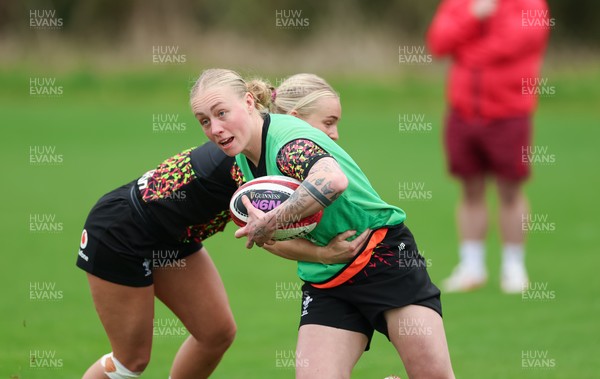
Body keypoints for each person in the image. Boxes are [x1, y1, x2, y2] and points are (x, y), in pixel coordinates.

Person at [76, 73, 366, 379]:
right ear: (296, 119)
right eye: (327, 123)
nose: (333, 134)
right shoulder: (255, 154)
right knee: (131, 360)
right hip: (120, 229)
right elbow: (267, 235)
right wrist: (321, 255)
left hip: (175, 237)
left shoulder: (275, 145)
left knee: (216, 334)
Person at [190, 68, 455, 379]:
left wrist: (274, 219)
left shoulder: (289, 145)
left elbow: (331, 179)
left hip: (382, 257)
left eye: (222, 113)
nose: (215, 128)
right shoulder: (240, 162)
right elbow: (270, 240)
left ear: (249, 102)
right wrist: (321, 255)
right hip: (327, 280)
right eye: (205, 121)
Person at [426, 0, 550, 293]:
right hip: (462, 112)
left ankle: (513, 267)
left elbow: (516, 43)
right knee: (470, 189)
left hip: (509, 112)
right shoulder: (460, 3)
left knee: (510, 190)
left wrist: (466, 51)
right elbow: (438, 42)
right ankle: (472, 266)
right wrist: (472, 17)